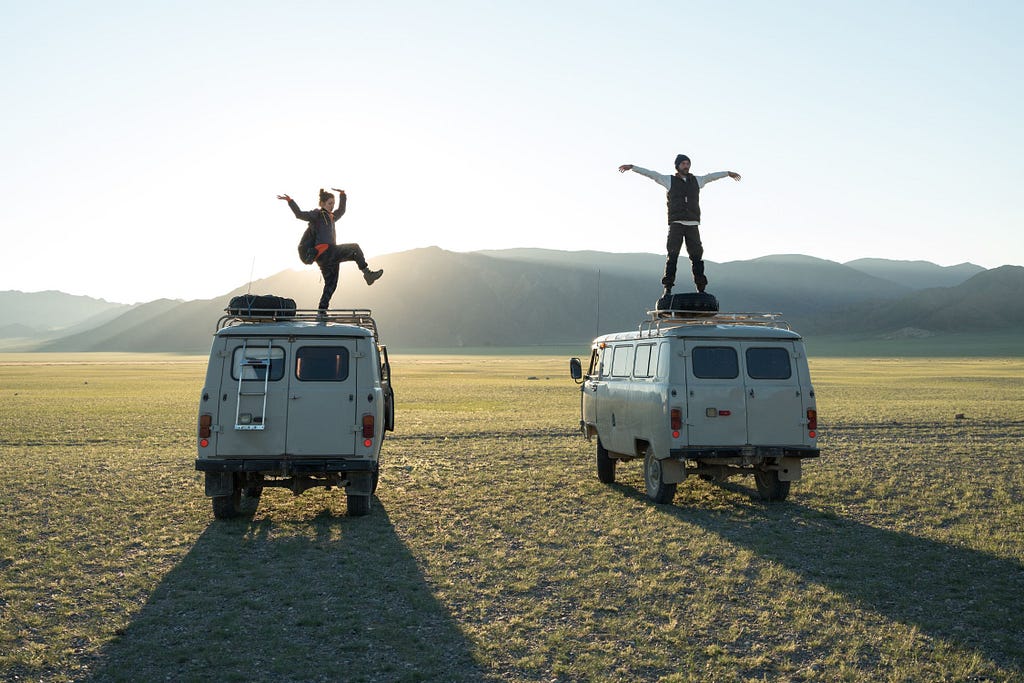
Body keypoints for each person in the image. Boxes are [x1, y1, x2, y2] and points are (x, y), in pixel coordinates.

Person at [619, 155, 740, 295]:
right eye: (683, 163)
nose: (686, 166)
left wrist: (727, 173)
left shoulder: (697, 180)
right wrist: (633, 167)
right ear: (677, 166)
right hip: (676, 223)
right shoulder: (668, 180)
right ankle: (667, 289)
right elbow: (651, 174)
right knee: (672, 256)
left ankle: (701, 289)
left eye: (688, 163)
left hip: (693, 224)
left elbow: (711, 177)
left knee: (697, 257)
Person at [277, 188, 383, 311]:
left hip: (326, 259)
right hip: (325, 251)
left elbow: (341, 210)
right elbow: (299, 214)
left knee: (331, 285)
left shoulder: (332, 217)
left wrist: (342, 195)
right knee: (355, 248)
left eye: (333, 203)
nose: (332, 206)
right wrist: (290, 201)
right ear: (322, 204)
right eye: (329, 203)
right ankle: (367, 273)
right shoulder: (317, 214)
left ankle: (322, 310)